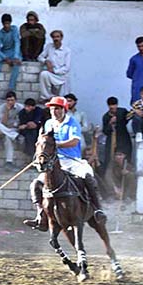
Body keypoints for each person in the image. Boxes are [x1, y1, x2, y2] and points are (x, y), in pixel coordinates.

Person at [24, 96, 106, 231]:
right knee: (36, 184)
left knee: (87, 176)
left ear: (64, 110)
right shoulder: (48, 124)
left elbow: (74, 141)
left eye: (57, 108)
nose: (54, 111)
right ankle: (40, 215)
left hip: (72, 160)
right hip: (55, 162)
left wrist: (56, 145)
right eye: (52, 109)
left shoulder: (72, 123)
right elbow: (42, 142)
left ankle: (97, 209)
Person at [0, 13, 21, 95]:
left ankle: (11, 88)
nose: (7, 25)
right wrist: (5, 58)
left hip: (15, 51)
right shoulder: (0, 33)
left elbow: (17, 43)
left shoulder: (14, 29)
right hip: (4, 52)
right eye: (5, 24)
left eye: (8, 23)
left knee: (17, 64)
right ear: (2, 23)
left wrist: (15, 57)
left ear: (10, 23)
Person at [0, 91, 22, 169]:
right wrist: (7, 111)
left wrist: (13, 125)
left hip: (13, 129)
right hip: (2, 130)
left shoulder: (20, 108)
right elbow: (3, 123)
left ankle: (9, 161)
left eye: (12, 100)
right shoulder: (1, 107)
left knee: (8, 138)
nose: (10, 102)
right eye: (8, 100)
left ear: (15, 100)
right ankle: (14, 136)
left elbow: (19, 122)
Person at [37, 30, 71, 100]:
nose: (56, 39)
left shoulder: (67, 50)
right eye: (54, 37)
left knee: (63, 97)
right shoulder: (49, 46)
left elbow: (67, 68)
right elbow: (40, 57)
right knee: (43, 74)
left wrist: (55, 71)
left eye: (58, 37)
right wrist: (46, 61)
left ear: (61, 38)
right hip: (51, 74)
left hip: (61, 76)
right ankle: (46, 97)